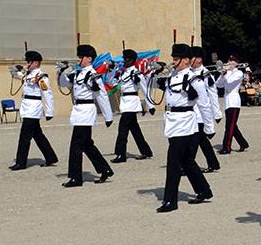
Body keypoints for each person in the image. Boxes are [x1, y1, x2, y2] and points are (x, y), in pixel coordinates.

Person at [156, 43, 215, 212]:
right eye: (173, 58)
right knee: (186, 160)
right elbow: (154, 86)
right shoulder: (172, 76)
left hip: (185, 122)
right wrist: (154, 73)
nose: (173, 62)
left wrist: (209, 127)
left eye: (177, 59)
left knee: (173, 161)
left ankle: (170, 201)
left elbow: (204, 105)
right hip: (172, 120)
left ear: (187, 60)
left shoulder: (194, 79)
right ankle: (204, 190)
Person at [58, 45, 114, 187]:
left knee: (76, 146)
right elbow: (63, 83)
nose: (79, 59)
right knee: (87, 144)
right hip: (78, 111)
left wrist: (108, 116)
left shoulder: (92, 75)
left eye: (81, 57)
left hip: (86, 111)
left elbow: (101, 95)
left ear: (89, 59)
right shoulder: (78, 73)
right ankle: (105, 169)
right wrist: (61, 71)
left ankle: (76, 178)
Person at [10, 50, 58, 170]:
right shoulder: (28, 74)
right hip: (27, 107)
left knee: (24, 136)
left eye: (29, 61)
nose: (27, 63)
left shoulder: (41, 77)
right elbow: (18, 75)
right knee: (37, 135)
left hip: (34, 108)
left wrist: (49, 112)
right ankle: (50, 156)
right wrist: (14, 70)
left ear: (36, 63)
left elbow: (47, 94)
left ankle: (21, 162)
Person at [111, 48, 155, 163]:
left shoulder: (137, 73)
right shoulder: (123, 73)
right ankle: (146, 151)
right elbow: (113, 84)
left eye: (127, 59)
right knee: (135, 129)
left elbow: (145, 89)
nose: (124, 61)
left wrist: (150, 105)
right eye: (124, 59)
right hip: (125, 102)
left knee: (123, 129)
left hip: (132, 102)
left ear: (132, 61)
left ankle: (121, 154)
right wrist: (113, 73)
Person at [189, 46, 221, 173]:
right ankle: (213, 163)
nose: (191, 60)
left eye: (193, 57)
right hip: (191, 112)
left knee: (193, 142)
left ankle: (186, 165)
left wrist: (217, 114)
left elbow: (213, 94)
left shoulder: (206, 74)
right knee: (203, 141)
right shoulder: (189, 73)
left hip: (201, 114)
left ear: (200, 59)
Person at [216, 55, 250, 153]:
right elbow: (218, 84)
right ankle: (243, 143)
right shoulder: (227, 73)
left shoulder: (239, 73)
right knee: (232, 126)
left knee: (229, 126)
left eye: (233, 61)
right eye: (229, 60)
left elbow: (230, 82)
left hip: (234, 101)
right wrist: (222, 74)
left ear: (236, 63)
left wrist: (226, 72)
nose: (230, 62)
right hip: (227, 102)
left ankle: (226, 147)